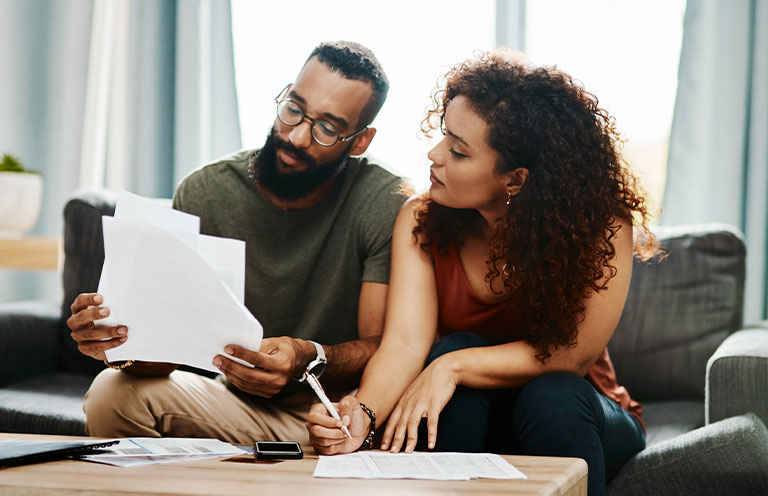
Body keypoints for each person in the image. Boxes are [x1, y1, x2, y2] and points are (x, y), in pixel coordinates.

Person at [306, 49, 658, 496]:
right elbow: (405, 343)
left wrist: (452, 366)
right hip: (475, 420)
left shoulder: (603, 226)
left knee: (550, 392)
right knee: (453, 352)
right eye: (442, 136)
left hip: (576, 414)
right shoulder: (420, 219)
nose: (434, 155)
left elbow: (573, 356)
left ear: (515, 180)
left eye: (457, 150)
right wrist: (363, 414)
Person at [66, 41, 408, 445]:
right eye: (294, 108)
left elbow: (381, 347)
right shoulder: (206, 191)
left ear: (360, 141)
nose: (297, 136)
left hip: (333, 414)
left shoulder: (384, 201)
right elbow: (162, 358)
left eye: (328, 129)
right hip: (232, 403)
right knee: (111, 393)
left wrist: (306, 357)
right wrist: (119, 341)